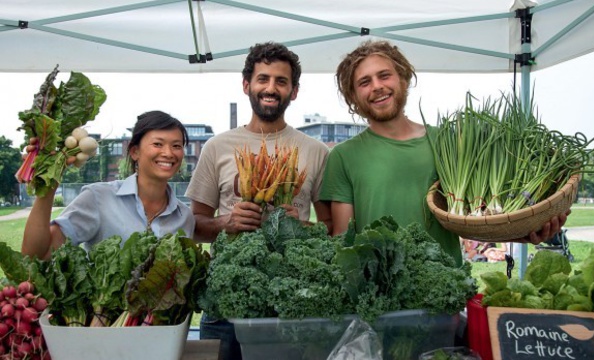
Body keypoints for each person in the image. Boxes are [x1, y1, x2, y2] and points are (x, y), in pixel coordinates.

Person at [319, 40, 567, 266]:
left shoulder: (449, 141)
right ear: (353, 96)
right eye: (364, 82)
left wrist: (526, 231)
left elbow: (478, 214)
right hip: (380, 291)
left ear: (403, 79)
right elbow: (344, 237)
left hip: (444, 283)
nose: (377, 86)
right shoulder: (343, 156)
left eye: (384, 76)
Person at [185, 42, 331, 360]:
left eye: (281, 81)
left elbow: (331, 228)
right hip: (227, 298)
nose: (270, 88)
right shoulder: (217, 147)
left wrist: (301, 227)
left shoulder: (315, 151)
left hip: (289, 297)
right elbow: (194, 226)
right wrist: (227, 223)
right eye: (263, 79)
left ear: (293, 91)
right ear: (246, 85)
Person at [22, 110, 195, 259]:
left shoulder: (184, 217)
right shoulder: (98, 198)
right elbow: (39, 255)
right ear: (135, 152)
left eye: (176, 146)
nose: (168, 153)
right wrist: (48, 186)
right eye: (158, 144)